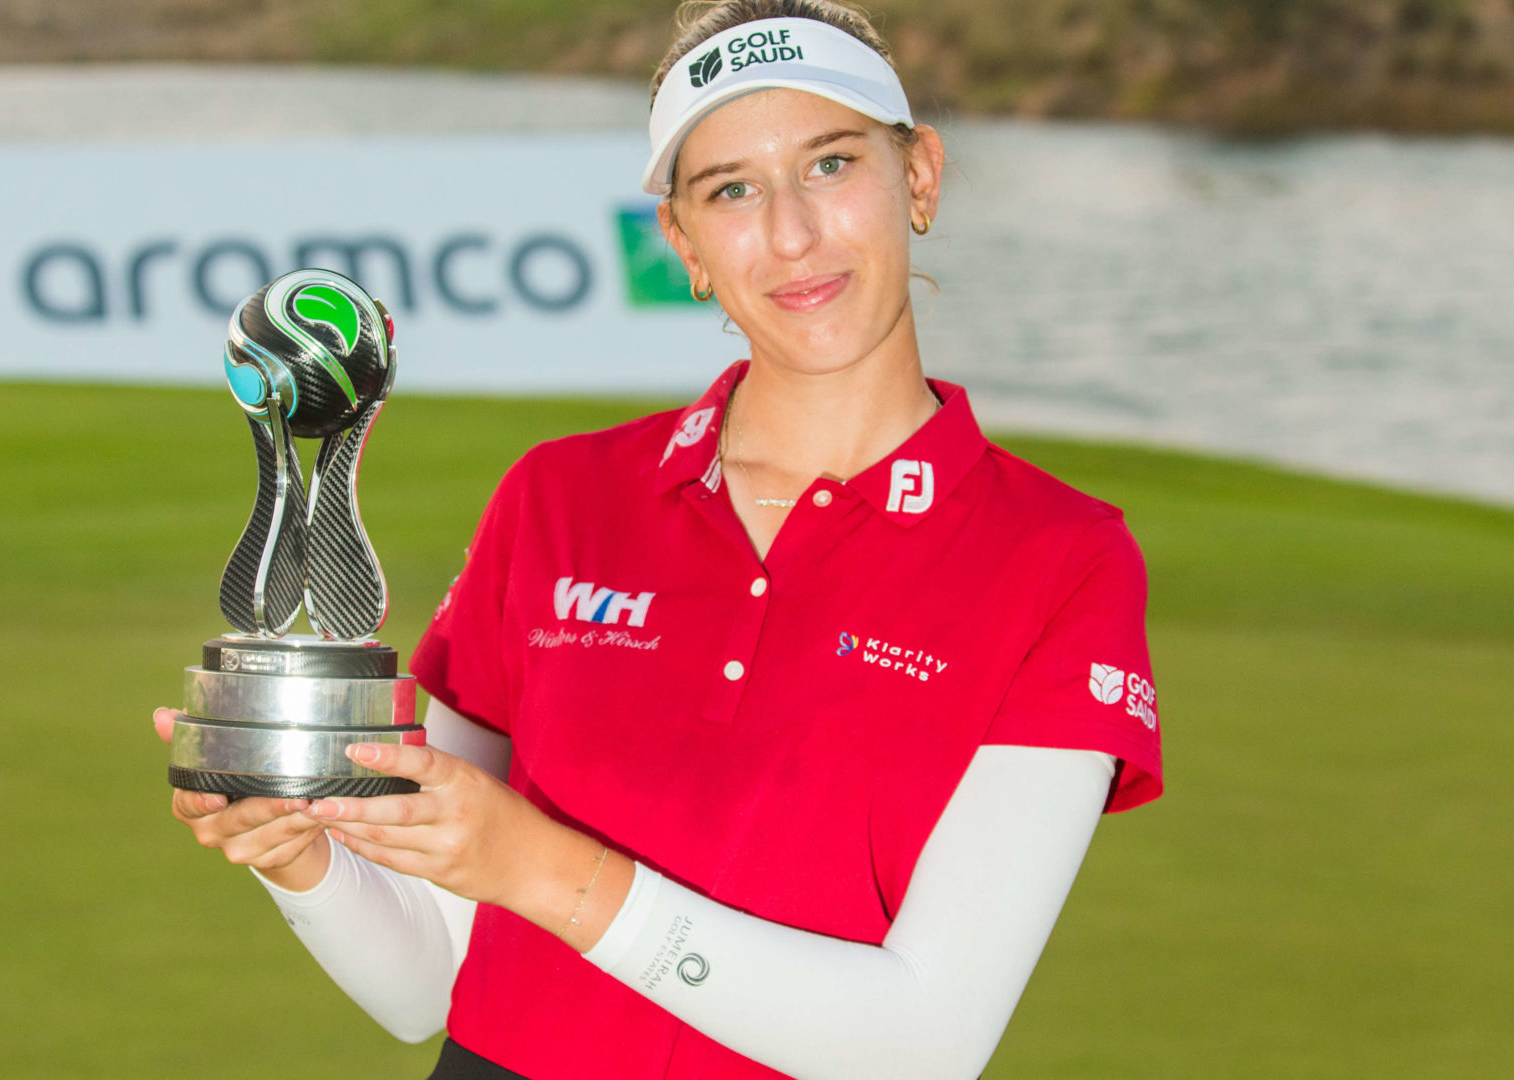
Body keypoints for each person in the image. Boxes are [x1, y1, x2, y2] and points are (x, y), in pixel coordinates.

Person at [150, 2, 1165, 1077]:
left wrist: (545, 872)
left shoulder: (1061, 558)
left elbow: (923, 1047)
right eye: (731, 188)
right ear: (680, 239)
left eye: (830, 165)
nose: (790, 234)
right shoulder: (559, 498)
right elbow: (427, 987)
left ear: (918, 176)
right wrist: (298, 856)